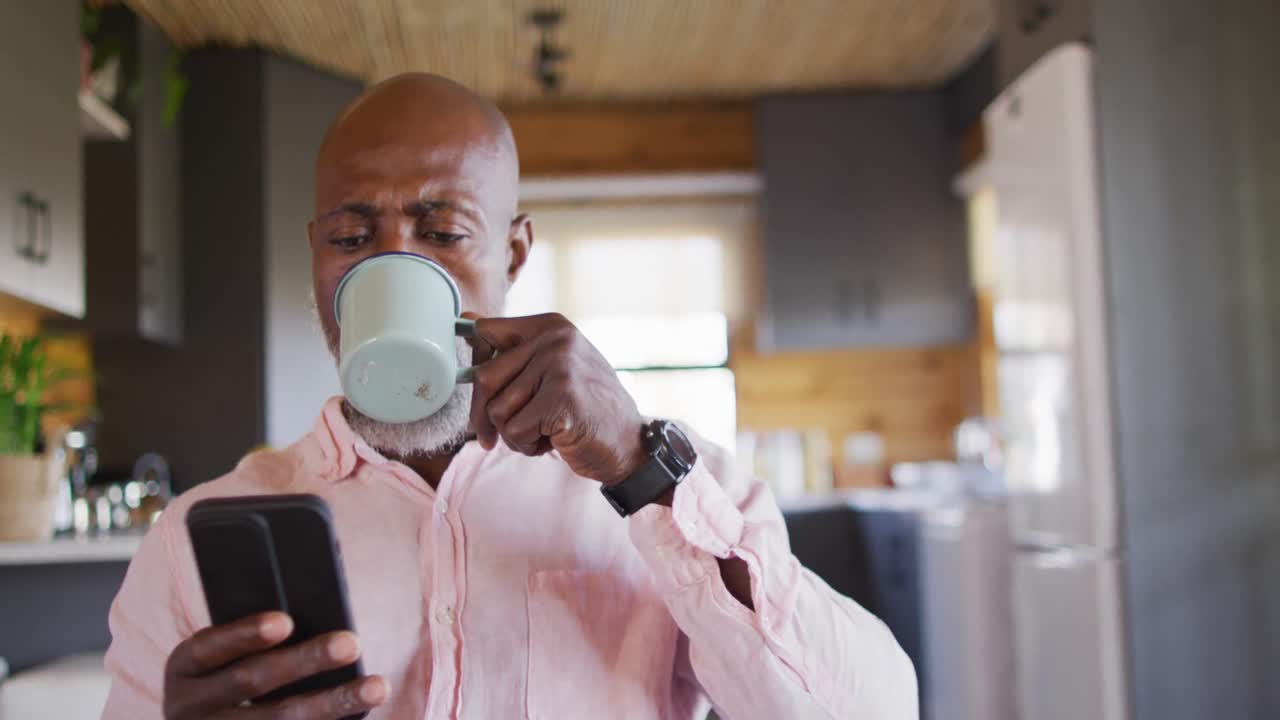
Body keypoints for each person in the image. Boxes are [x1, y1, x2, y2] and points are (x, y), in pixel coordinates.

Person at [101, 73, 917, 720]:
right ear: (316, 260)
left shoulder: (681, 490)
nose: (388, 266)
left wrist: (641, 467)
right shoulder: (198, 539)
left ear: (515, 254)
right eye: (351, 239)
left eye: (443, 233)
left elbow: (872, 712)